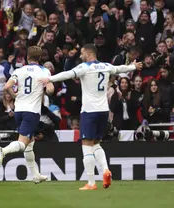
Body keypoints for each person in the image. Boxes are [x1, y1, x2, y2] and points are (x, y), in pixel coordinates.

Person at [47, 44, 143, 190]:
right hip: (104, 111)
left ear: (88, 53)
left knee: (86, 145)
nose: (80, 56)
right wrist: (133, 67)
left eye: (81, 53)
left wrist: (49, 79)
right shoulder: (106, 66)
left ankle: (91, 182)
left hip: (89, 112)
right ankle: (105, 169)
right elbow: (120, 69)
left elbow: (67, 74)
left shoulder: (84, 67)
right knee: (96, 143)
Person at [0, 46, 54, 184]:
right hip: (31, 111)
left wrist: (15, 96)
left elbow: (6, 87)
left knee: (30, 143)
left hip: (19, 110)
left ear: (27, 57)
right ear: (40, 58)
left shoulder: (19, 70)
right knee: (23, 142)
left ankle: (36, 175)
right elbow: (50, 90)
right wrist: (48, 88)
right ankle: (3, 151)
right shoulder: (44, 71)